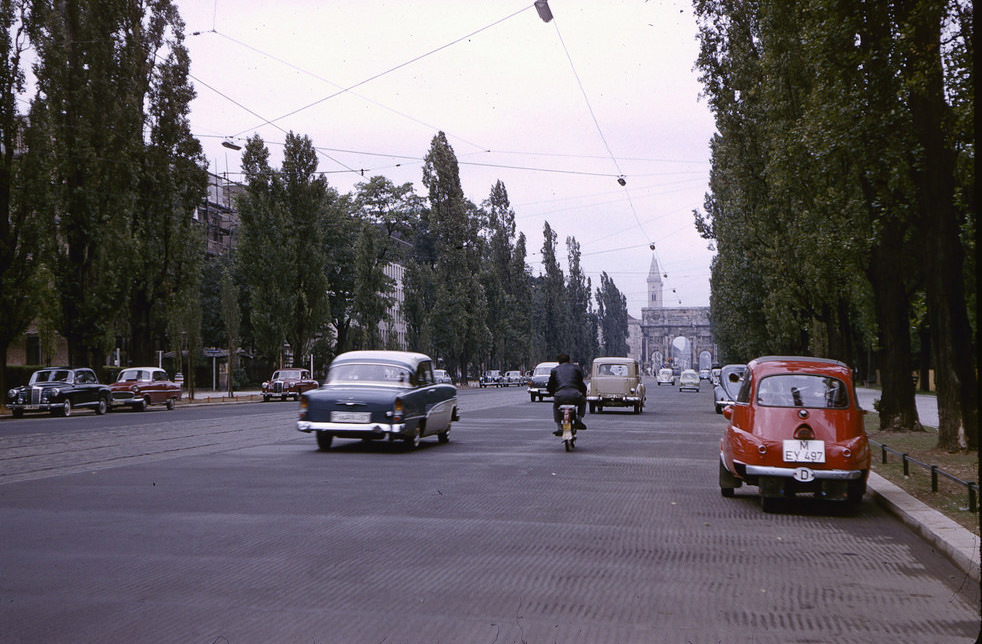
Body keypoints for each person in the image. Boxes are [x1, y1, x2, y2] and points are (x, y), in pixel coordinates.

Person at [547, 352, 587, 435]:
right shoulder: (576, 368)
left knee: (555, 406)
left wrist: (552, 394)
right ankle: (579, 420)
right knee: (583, 402)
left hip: (560, 396)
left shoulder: (554, 370)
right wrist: (583, 393)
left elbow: (550, 385)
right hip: (575, 395)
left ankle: (559, 427)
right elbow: (580, 383)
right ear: (569, 360)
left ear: (558, 361)